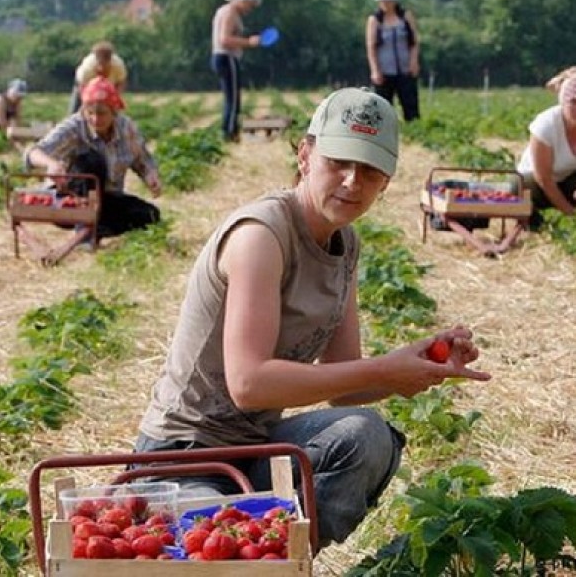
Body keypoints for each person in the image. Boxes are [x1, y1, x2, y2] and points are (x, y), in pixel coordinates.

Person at [135, 88, 490, 551]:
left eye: (368, 169)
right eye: (338, 161)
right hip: (182, 456)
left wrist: (419, 367)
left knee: (366, 436)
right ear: (305, 154)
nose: (350, 181)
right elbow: (249, 384)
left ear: (386, 181)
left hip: (254, 446)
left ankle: (284, 554)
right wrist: (385, 369)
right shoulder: (261, 236)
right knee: (223, 541)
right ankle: (263, 553)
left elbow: (345, 386)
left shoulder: (345, 244)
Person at [25, 76, 162, 264]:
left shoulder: (126, 128)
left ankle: (94, 229)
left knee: (149, 215)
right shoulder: (74, 126)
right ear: (84, 110)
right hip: (69, 201)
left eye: (102, 113)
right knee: (91, 160)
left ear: (114, 111)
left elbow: (142, 159)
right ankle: (85, 234)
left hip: (104, 198)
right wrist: (50, 164)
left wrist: (150, 176)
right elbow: (33, 152)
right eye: (90, 113)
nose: (95, 119)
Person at [516, 76, 576, 230]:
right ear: (563, 102)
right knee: (516, 188)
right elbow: (544, 178)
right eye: (574, 102)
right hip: (537, 183)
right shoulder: (546, 124)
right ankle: (537, 225)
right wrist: (570, 214)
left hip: (566, 179)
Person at [211, 0, 262, 143]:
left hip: (222, 58)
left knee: (231, 97)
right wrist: (249, 42)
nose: (251, 8)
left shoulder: (224, 10)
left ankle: (229, 131)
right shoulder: (230, 13)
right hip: (227, 58)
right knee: (233, 99)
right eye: (250, 4)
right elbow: (224, 40)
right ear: (242, 0)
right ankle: (230, 133)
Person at [365, 0, 421, 122]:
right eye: (382, 1)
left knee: (410, 104)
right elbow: (371, 46)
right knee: (382, 108)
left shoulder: (405, 17)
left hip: (405, 70)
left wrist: (414, 62)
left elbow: (414, 41)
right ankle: (384, 136)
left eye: (388, 0)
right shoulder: (374, 20)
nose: (385, 4)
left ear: (394, 1)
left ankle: (414, 129)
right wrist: (375, 71)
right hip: (384, 72)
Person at [68, 41, 128, 114]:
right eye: (100, 64)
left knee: (114, 112)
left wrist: (115, 98)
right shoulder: (87, 68)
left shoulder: (118, 65)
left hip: (110, 87)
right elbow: (82, 86)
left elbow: (121, 82)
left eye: (105, 65)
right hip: (87, 87)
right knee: (76, 111)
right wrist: (86, 105)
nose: (102, 69)